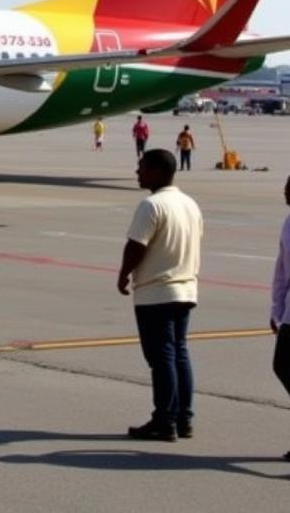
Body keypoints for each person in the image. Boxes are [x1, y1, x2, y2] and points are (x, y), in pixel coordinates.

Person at [117, 148, 202, 441]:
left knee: (161, 357)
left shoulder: (151, 205)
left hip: (156, 292)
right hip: (185, 289)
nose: (138, 172)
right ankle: (184, 418)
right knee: (179, 352)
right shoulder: (190, 204)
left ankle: (164, 419)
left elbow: (136, 246)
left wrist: (123, 273)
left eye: (141, 167)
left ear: (156, 171)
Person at [270, 175, 290, 460]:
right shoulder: (288, 222)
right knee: (282, 366)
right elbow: (282, 269)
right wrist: (276, 308)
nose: (284, 191)